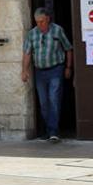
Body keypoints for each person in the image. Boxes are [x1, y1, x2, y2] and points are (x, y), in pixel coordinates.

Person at [22, 8, 73, 143]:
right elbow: (27, 53)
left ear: (48, 19)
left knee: (53, 99)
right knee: (44, 103)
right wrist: (24, 70)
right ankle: (48, 129)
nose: (40, 24)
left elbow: (68, 48)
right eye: (37, 22)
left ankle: (53, 131)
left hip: (56, 69)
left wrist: (68, 67)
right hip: (40, 72)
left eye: (42, 21)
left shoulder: (57, 30)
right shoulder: (32, 34)